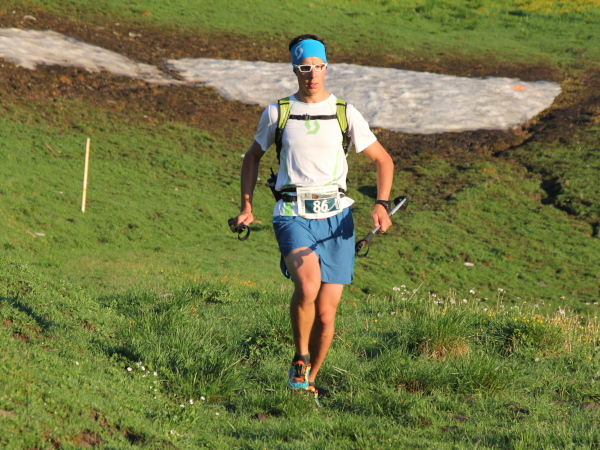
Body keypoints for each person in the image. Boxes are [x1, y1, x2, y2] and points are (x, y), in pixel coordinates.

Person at [232, 34, 394, 403]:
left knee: (326, 314)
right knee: (307, 287)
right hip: (292, 212)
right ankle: (300, 357)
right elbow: (252, 157)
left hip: (338, 218)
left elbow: (383, 160)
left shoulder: (345, 113)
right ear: (295, 70)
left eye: (318, 67)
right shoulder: (278, 112)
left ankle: (306, 383)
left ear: (326, 67)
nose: (312, 74)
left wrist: (381, 204)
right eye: (305, 68)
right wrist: (247, 206)